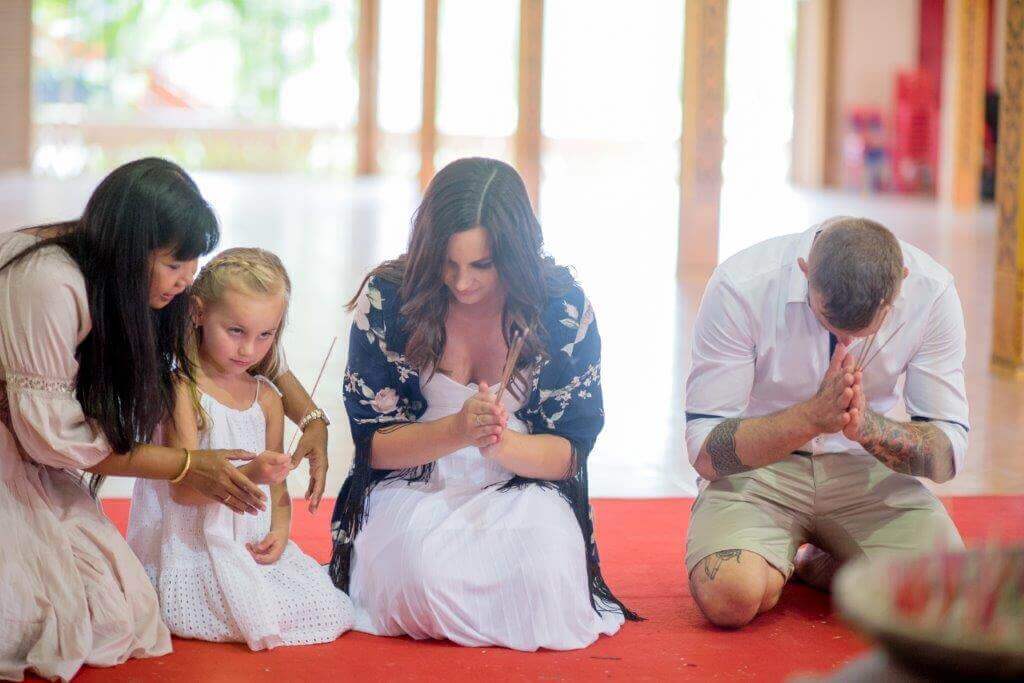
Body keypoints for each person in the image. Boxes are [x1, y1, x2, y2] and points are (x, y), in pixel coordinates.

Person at [0, 158, 327, 681]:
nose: (186, 278)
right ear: (132, 248)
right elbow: (50, 438)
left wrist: (312, 418)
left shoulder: (155, 286)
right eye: (175, 263)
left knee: (119, 610)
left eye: (192, 261)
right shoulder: (49, 283)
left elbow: (257, 352)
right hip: (21, 448)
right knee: (58, 619)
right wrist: (185, 465)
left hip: (43, 452)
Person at [329, 157, 638, 651]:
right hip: (415, 479)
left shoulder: (561, 307)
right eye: (447, 263)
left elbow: (570, 454)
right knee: (423, 575)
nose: (461, 282)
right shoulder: (389, 298)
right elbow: (373, 446)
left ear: (513, 255)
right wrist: (456, 431)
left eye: (481, 266)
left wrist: (501, 444)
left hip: (524, 480)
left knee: (543, 572)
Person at [684, 216, 968, 629]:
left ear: (901, 283)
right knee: (731, 596)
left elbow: (946, 456)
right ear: (805, 271)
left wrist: (867, 428)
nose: (847, 341)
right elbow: (705, 451)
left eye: (862, 330)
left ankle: (818, 561)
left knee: (948, 591)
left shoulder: (934, 291)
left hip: (866, 471)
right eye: (828, 320)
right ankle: (818, 563)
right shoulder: (740, 285)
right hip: (761, 469)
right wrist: (811, 418)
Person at [128, 248, 353, 650]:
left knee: (325, 606)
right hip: (193, 541)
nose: (249, 350)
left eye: (265, 335)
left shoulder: (266, 397)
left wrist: (280, 531)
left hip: (248, 540)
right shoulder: (183, 389)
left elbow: (278, 488)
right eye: (235, 331)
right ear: (198, 313)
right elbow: (183, 490)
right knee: (234, 608)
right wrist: (251, 474)